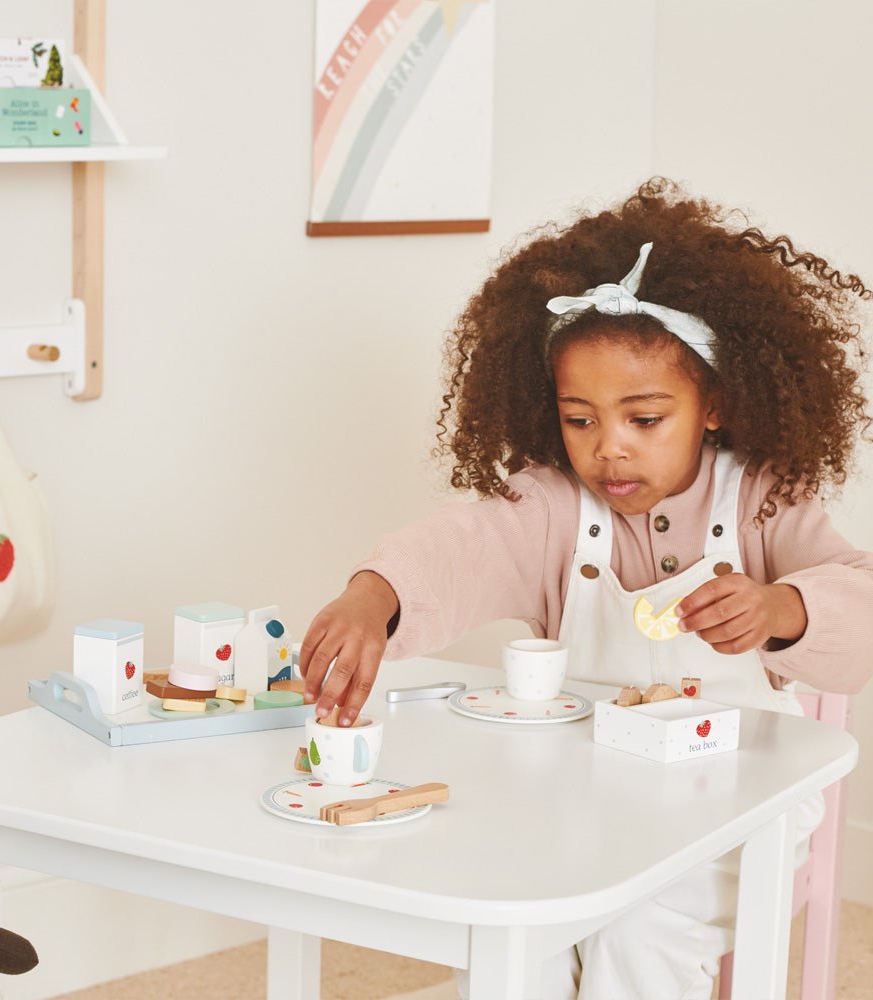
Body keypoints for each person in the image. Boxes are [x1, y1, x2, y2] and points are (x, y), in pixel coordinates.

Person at [298, 178, 873, 999]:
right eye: (581, 419)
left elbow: (858, 602)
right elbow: (462, 547)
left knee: (641, 934)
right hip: (581, 806)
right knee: (517, 925)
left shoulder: (760, 499)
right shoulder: (557, 509)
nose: (610, 449)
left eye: (645, 419)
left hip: (736, 816)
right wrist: (374, 595)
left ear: (712, 404)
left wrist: (782, 608)